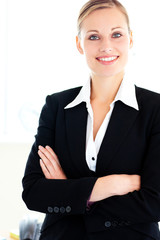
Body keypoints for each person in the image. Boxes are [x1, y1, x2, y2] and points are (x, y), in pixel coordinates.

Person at [22, 0, 160, 239]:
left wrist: (70, 191)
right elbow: (34, 192)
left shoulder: (156, 109)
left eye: (116, 34)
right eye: (94, 37)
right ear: (79, 43)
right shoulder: (56, 106)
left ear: (130, 39)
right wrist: (109, 186)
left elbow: (155, 201)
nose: (106, 46)